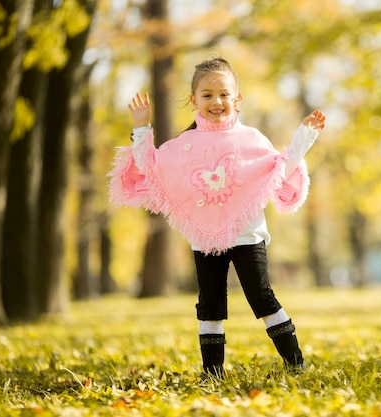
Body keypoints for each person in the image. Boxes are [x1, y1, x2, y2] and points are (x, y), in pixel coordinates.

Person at [109, 57, 326, 378]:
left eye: (224, 94)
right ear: (193, 100)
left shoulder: (250, 139)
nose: (216, 101)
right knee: (209, 305)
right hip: (203, 239)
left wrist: (304, 136)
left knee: (262, 298)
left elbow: (282, 167)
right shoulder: (184, 145)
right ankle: (212, 373)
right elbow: (150, 167)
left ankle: (296, 364)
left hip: (247, 236)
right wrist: (142, 125)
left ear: (236, 98)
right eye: (207, 95)